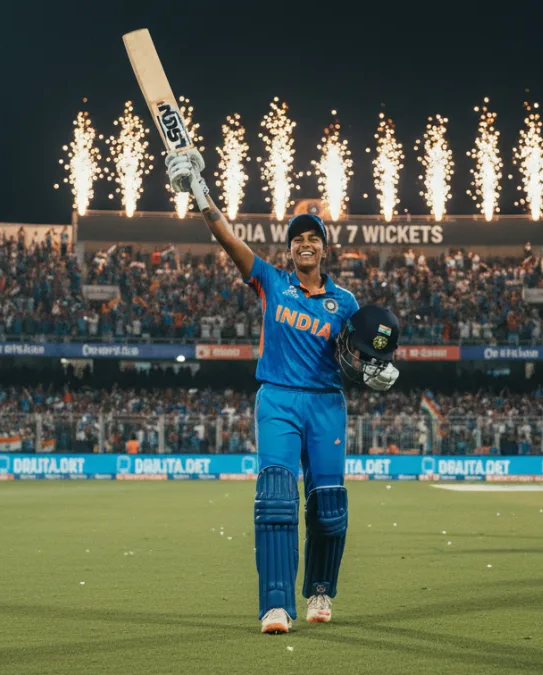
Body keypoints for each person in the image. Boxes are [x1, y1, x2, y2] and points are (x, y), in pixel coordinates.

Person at [165, 149, 401, 634]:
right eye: (298, 239)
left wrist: (381, 368)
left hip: (327, 404)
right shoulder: (272, 283)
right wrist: (199, 193)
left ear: (324, 249)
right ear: (289, 250)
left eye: (314, 238)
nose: (306, 245)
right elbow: (226, 238)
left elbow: (361, 354)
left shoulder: (347, 302)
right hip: (277, 399)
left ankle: (319, 591)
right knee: (275, 499)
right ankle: (276, 605)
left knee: (330, 507)